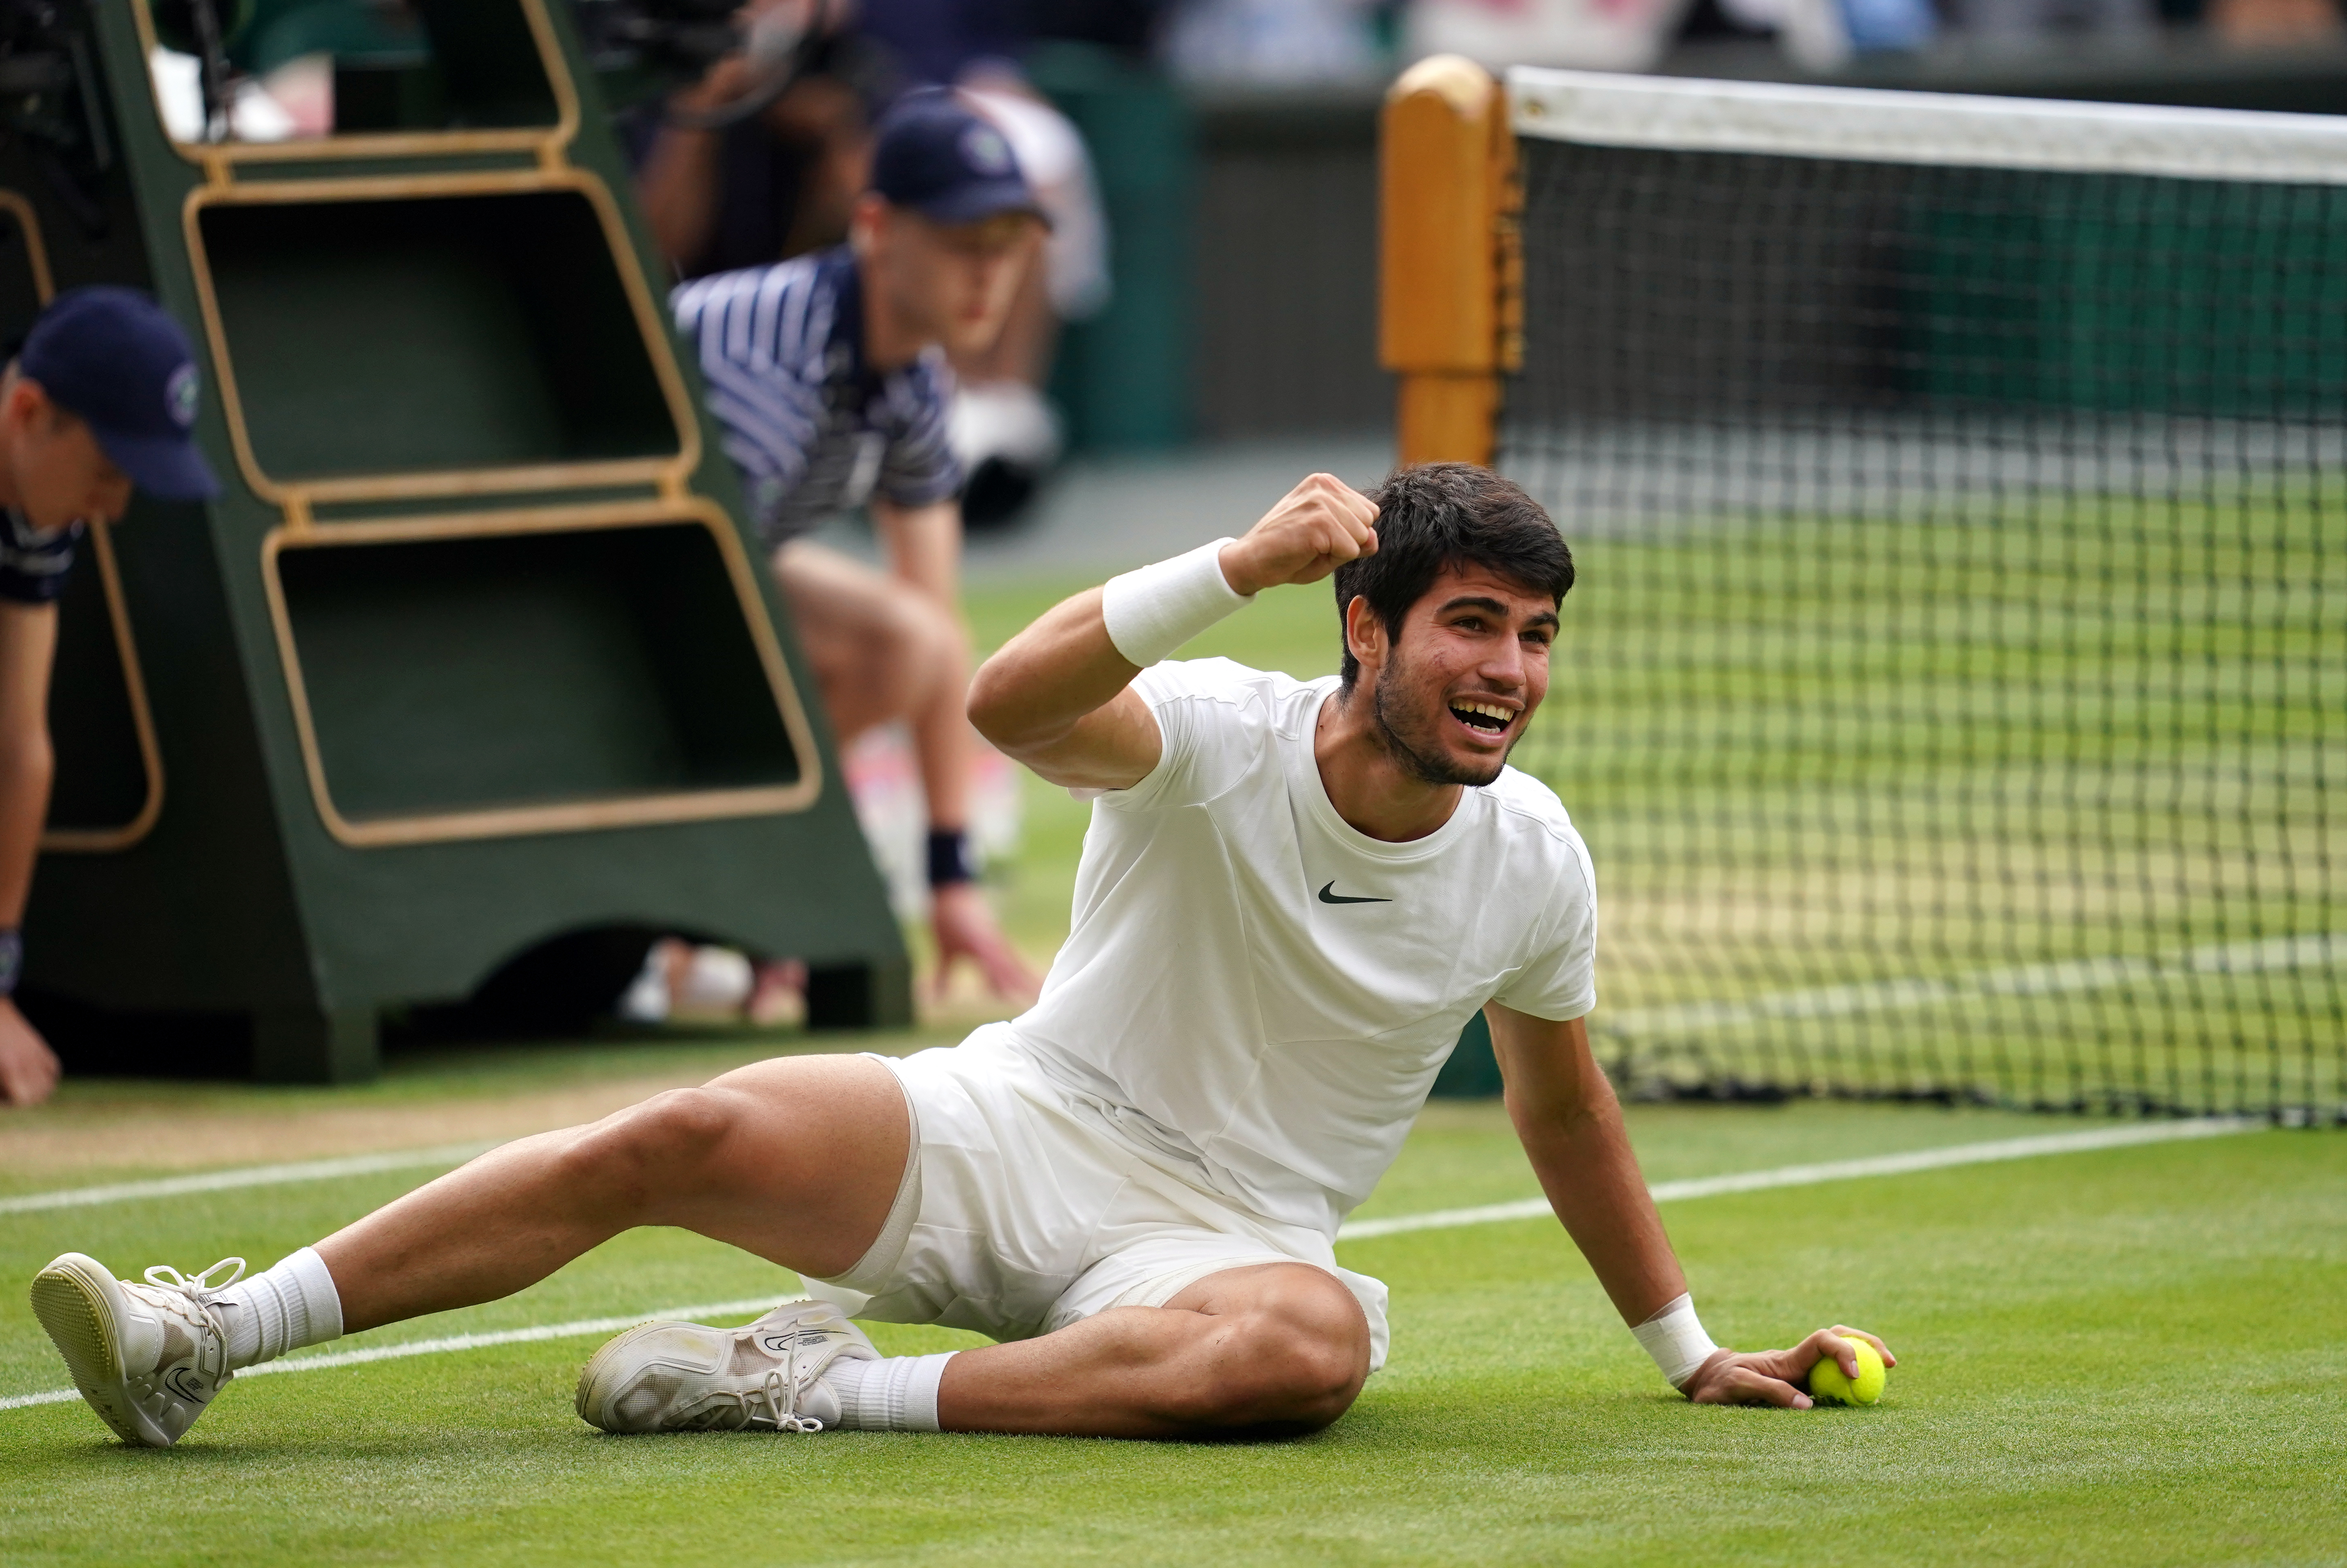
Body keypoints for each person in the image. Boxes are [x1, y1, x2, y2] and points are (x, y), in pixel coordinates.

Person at [30, 463, 1891, 1446]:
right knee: (670, 1134)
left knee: (1308, 1350)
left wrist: (1684, 1346)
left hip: (1222, 1238)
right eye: (1472, 624)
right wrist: (1224, 562)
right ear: (1365, 629)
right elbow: (1005, 701)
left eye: (1538, 636)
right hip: (1011, 1120)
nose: (1508, 670)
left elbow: (1568, 1116)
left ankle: (808, 1389)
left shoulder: (1534, 857)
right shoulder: (1225, 728)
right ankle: (215, 1332)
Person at [673, 87, 1043, 1002]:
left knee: (908, 640)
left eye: (1006, 247)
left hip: (710, 575)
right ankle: (705, 892)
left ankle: (737, 876)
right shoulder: (768, 359)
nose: (989, 275)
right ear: (876, 228)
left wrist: (949, 876)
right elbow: (695, 606)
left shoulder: (912, 372)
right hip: (615, 587)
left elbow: (939, 621)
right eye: (964, 243)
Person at [0, 289, 220, 1108]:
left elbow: (20, 742)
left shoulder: (37, 512)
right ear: (29, 413)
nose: (117, 505)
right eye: (107, 471)